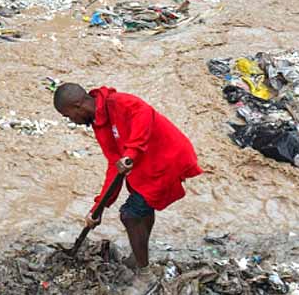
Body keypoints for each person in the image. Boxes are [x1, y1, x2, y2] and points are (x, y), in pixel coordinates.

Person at [53, 83, 202, 272]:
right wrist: (98, 208)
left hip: (167, 159)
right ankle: (139, 256)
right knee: (141, 207)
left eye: (68, 116)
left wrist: (132, 152)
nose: (72, 121)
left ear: (77, 106)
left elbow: (144, 113)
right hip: (149, 167)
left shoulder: (118, 102)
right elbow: (114, 166)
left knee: (130, 215)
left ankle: (143, 271)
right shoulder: (100, 125)